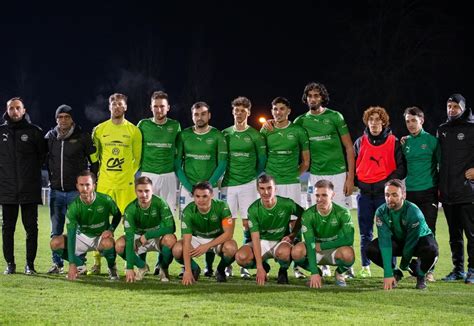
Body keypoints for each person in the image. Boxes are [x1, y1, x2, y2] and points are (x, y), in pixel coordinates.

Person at [294, 82, 356, 278]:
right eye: (310, 96)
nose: (313, 99)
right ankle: (323, 261)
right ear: (306, 99)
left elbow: (348, 148)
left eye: (316, 96)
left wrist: (350, 177)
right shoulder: (300, 121)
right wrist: (268, 125)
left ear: (322, 98)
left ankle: (346, 264)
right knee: (320, 218)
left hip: (338, 174)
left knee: (339, 219)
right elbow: (284, 130)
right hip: (316, 175)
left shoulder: (335, 117)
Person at [90, 93, 142, 274]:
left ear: (125, 107)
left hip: (126, 187)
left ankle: (135, 263)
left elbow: (137, 159)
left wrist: (125, 174)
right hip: (104, 185)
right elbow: (94, 157)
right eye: (114, 104)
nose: (117, 107)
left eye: (120, 104)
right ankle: (97, 263)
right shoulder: (99, 129)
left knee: (130, 226)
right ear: (109, 107)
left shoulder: (134, 131)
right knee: (99, 225)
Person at [175, 101, 228, 277]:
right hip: (188, 189)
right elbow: (177, 164)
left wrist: (209, 186)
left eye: (203, 114)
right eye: (196, 114)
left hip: (209, 189)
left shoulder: (218, 136)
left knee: (212, 224)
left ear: (209, 115)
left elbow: (222, 163)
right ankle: (189, 267)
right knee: (189, 226)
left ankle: (209, 266)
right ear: (192, 116)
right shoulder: (184, 135)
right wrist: (190, 186)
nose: (200, 117)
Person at [260, 96, 309, 279]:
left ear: (289, 111)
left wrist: (293, 175)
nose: (278, 112)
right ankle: (265, 261)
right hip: (273, 184)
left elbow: (306, 161)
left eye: (281, 109)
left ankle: (297, 265)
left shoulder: (298, 131)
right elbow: (260, 155)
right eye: (275, 109)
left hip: (291, 183)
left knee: (294, 223)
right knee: (270, 221)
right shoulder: (266, 130)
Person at [354, 106, 406, 277]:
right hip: (365, 196)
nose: (374, 123)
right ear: (367, 122)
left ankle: (391, 268)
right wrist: (358, 182)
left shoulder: (394, 142)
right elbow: (353, 165)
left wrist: (386, 184)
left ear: (384, 122)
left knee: (388, 233)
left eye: (378, 119)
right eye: (371, 120)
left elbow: (401, 169)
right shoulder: (360, 142)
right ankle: (365, 267)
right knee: (365, 233)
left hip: (385, 196)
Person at [45, 104, 97, 274]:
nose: (63, 120)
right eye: (60, 117)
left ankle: (80, 264)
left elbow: (94, 161)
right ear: (56, 119)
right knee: (56, 229)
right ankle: (57, 263)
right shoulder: (50, 137)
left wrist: (91, 183)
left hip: (77, 192)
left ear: (72, 119)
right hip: (56, 192)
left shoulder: (83, 136)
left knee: (79, 230)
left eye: (67, 117)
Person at [221, 96, 266, 279]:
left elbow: (262, 161)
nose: (239, 113)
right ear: (233, 111)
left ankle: (245, 264)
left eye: (243, 111)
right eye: (236, 110)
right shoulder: (225, 134)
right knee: (227, 226)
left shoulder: (255, 135)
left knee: (248, 224)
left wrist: (252, 177)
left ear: (248, 112)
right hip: (228, 186)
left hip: (248, 185)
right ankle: (227, 263)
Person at [1, 97, 47, 275]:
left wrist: (30, 174)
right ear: (7, 110)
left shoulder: (35, 132)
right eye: (11, 108)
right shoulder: (1, 132)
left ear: (24, 110)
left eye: (17, 108)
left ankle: (30, 265)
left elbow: (42, 157)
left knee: (31, 229)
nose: (14, 111)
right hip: (7, 189)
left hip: (29, 188)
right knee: (7, 229)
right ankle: (10, 264)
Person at [366, 179, 439, 290]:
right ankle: (396, 273)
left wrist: (405, 264)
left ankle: (420, 274)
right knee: (371, 249)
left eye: (394, 195)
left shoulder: (414, 212)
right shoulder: (381, 212)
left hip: (419, 240)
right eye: (387, 195)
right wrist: (388, 273)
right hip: (399, 240)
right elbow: (385, 242)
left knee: (432, 250)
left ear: (403, 195)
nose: (390, 198)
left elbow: (411, 242)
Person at [137, 91, 180, 275]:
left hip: (169, 176)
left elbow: (178, 153)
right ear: (151, 107)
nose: (159, 109)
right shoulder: (143, 125)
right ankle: (142, 263)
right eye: (156, 106)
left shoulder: (175, 126)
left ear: (168, 108)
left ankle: (162, 265)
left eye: (162, 106)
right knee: (145, 218)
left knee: (166, 220)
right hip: (148, 176)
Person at [49, 171, 122, 280]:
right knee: (55, 243)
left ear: (94, 186)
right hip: (82, 236)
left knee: (109, 243)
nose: (84, 188)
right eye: (81, 185)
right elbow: (72, 234)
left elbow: (118, 215)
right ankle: (80, 266)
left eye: (87, 185)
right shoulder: (74, 207)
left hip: (100, 237)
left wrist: (111, 230)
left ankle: (112, 267)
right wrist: (72, 264)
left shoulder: (105, 200)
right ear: (77, 186)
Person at [235, 174, 304, 285]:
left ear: (275, 188)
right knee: (241, 257)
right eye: (262, 188)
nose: (266, 192)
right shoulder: (253, 209)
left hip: (280, 243)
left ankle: (283, 270)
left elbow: (304, 215)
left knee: (285, 252)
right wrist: (259, 267)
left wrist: (293, 234)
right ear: (258, 189)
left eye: (269, 188)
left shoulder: (286, 204)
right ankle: (265, 267)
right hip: (262, 242)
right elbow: (256, 238)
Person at [437, 93, 474, 284]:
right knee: (454, 235)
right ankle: (458, 269)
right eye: (449, 106)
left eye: (455, 107)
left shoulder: (471, 128)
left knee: (472, 234)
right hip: (448, 192)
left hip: (468, 192)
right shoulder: (442, 129)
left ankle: (473, 270)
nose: (451, 110)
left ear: (463, 108)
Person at [291, 180, 355, 288]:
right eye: (317, 195)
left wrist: (322, 245)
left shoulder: (343, 213)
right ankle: (318, 274)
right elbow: (310, 243)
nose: (320, 199)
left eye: (324, 195)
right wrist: (314, 272)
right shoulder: (308, 215)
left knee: (348, 254)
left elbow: (349, 240)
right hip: (314, 250)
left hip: (335, 250)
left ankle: (339, 273)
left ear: (332, 195)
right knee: (296, 251)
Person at [172, 181, 237, 285]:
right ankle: (194, 269)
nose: (201, 200)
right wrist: (187, 271)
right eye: (197, 196)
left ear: (211, 195)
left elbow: (228, 234)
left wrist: (207, 246)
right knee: (177, 249)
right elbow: (187, 241)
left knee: (231, 248)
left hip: (217, 238)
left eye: (205, 196)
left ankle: (220, 270)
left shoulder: (222, 206)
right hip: (197, 238)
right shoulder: (188, 211)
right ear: (193, 196)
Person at [402, 106, 440, 281]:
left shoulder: (432, 141)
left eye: (413, 120)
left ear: (421, 121)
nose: (410, 124)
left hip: (428, 192)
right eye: (408, 121)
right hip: (410, 193)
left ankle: (429, 271)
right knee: (412, 232)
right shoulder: (405, 143)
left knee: (428, 231)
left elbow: (441, 165)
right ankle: (417, 270)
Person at [115, 176, 177, 282]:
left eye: (147, 191)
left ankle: (163, 268)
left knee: (171, 239)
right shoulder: (130, 209)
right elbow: (130, 237)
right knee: (120, 245)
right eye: (140, 191)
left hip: (157, 236)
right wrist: (129, 268)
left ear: (152, 190)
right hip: (138, 238)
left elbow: (171, 227)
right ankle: (142, 266)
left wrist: (148, 235)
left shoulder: (160, 203)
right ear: (135, 191)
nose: (144, 195)